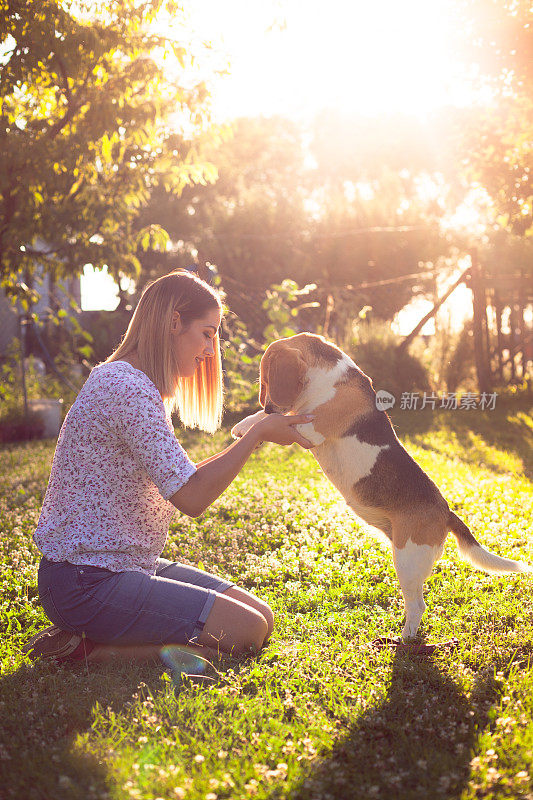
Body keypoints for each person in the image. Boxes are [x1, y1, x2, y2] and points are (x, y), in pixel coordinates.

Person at [24, 270, 313, 666]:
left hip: (119, 566)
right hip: (85, 580)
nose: (212, 350)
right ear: (174, 322)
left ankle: (95, 639)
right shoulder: (125, 388)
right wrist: (257, 434)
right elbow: (192, 498)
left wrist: (256, 433)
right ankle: (87, 651)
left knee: (262, 618)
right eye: (207, 333)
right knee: (246, 633)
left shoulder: (137, 384)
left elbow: (184, 479)